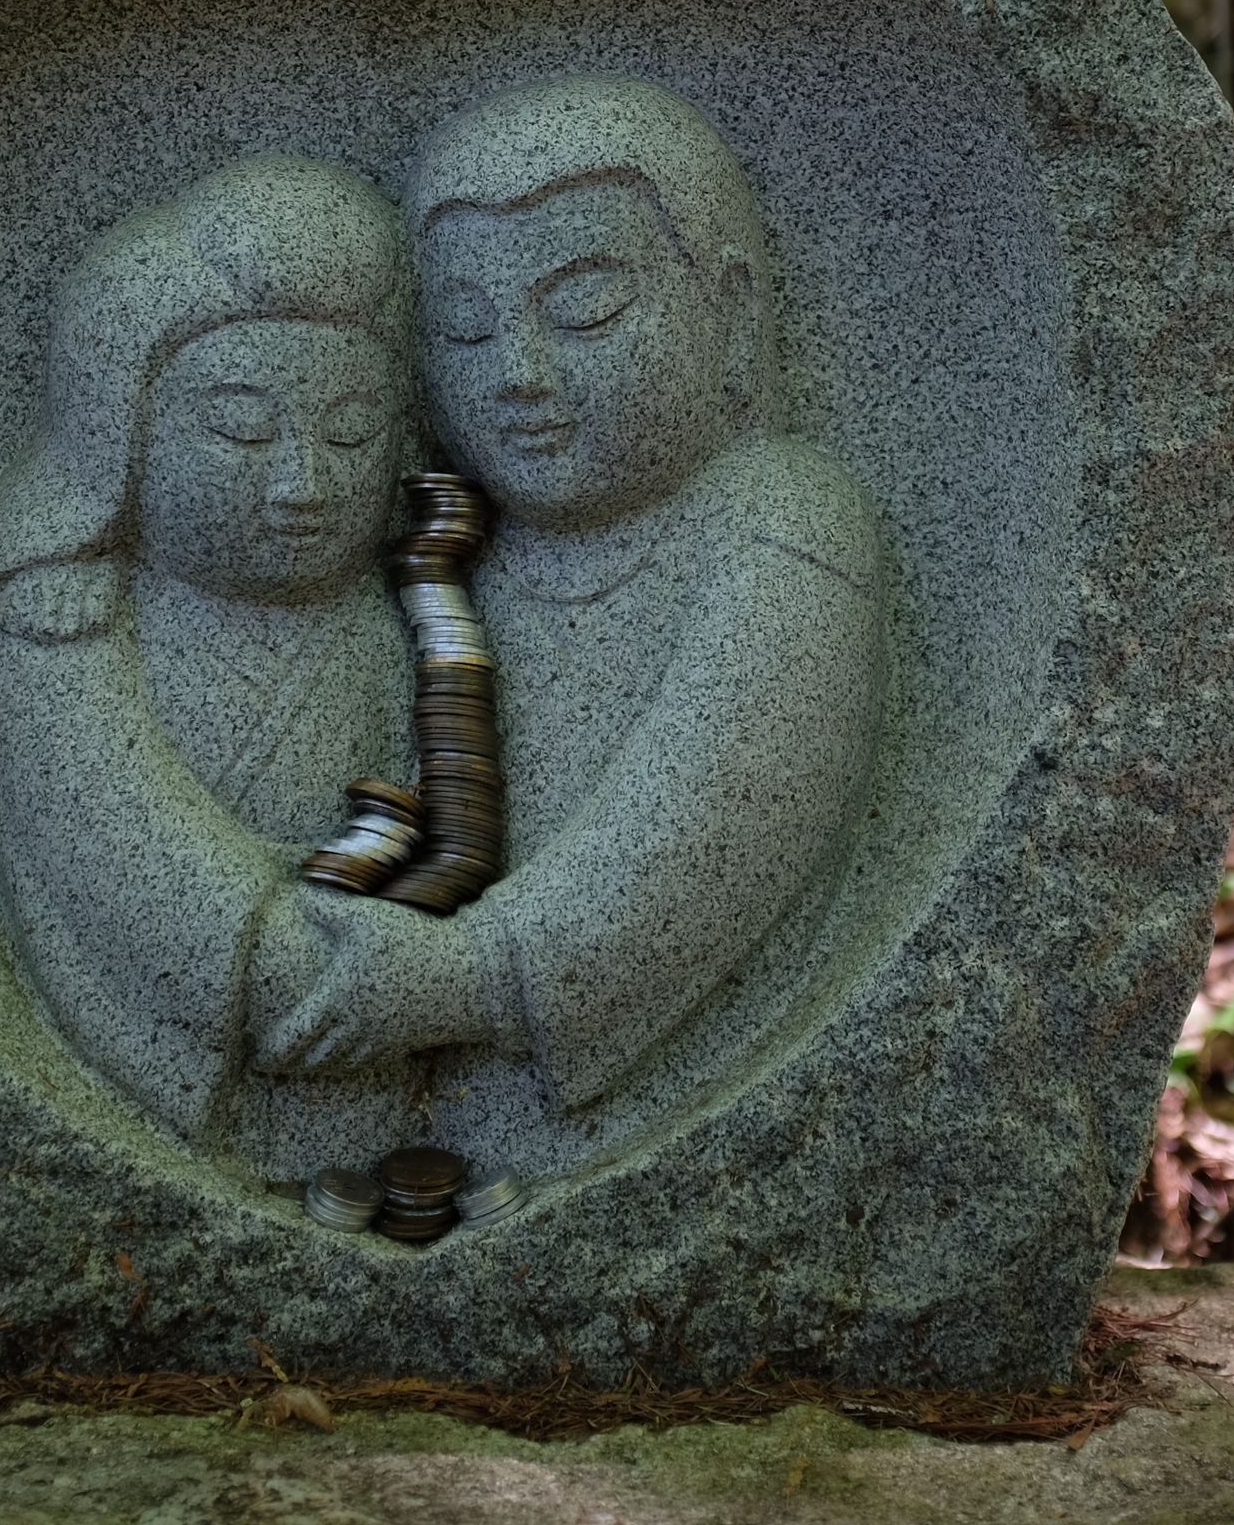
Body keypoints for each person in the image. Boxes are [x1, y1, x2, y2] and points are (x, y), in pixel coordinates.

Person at [262, 75, 886, 1175]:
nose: (517, 375)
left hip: (671, 1091)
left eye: (587, 307)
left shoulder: (778, 519)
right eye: (464, 327)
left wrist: (471, 976)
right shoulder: (457, 551)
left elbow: (716, 820)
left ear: (731, 315)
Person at [0, 154, 434, 1181]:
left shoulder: (399, 607)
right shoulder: (61, 611)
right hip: (225, 992)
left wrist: (424, 968)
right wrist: (313, 976)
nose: (303, 482)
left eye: (352, 432)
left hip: (385, 1012)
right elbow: (113, 839)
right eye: (239, 427)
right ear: (127, 437)